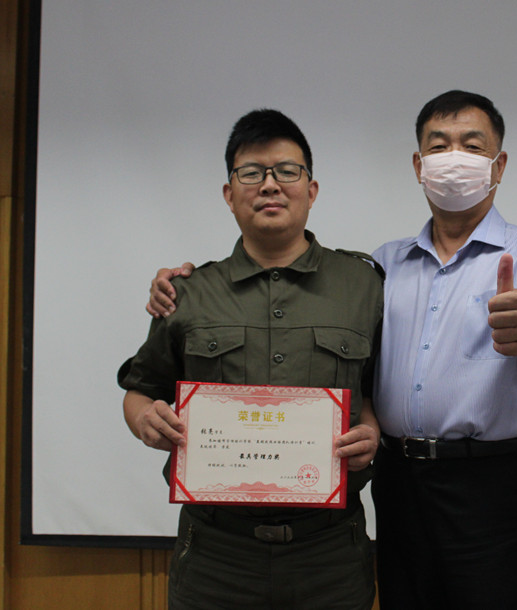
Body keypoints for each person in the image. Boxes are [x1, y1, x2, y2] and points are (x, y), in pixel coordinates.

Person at [147, 91, 517, 610]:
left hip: (495, 480)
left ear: (498, 165)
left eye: (471, 146)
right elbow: (365, 380)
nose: (454, 158)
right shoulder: (381, 267)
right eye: (439, 146)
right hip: (400, 479)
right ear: (419, 166)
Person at [119, 109, 383, 610]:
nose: (270, 184)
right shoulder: (187, 292)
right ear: (229, 193)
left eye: (287, 171)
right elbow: (141, 391)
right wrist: (144, 420)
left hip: (329, 552)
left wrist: (371, 432)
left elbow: (376, 392)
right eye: (251, 173)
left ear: (311, 190)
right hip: (216, 555)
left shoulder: (364, 287)